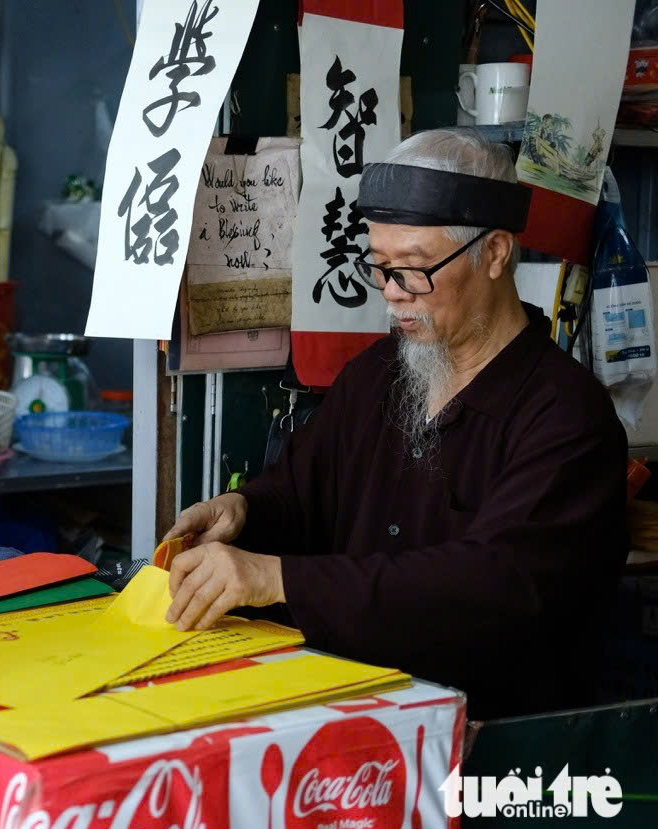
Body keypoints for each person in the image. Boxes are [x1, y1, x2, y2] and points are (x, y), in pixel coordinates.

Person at [163, 129, 626, 721]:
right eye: (379, 267)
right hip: (346, 708)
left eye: (412, 269)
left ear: (495, 253)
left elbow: (490, 588)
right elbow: (303, 491)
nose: (391, 294)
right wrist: (245, 510)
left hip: (492, 741)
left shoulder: (566, 416)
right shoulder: (376, 376)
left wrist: (279, 580)